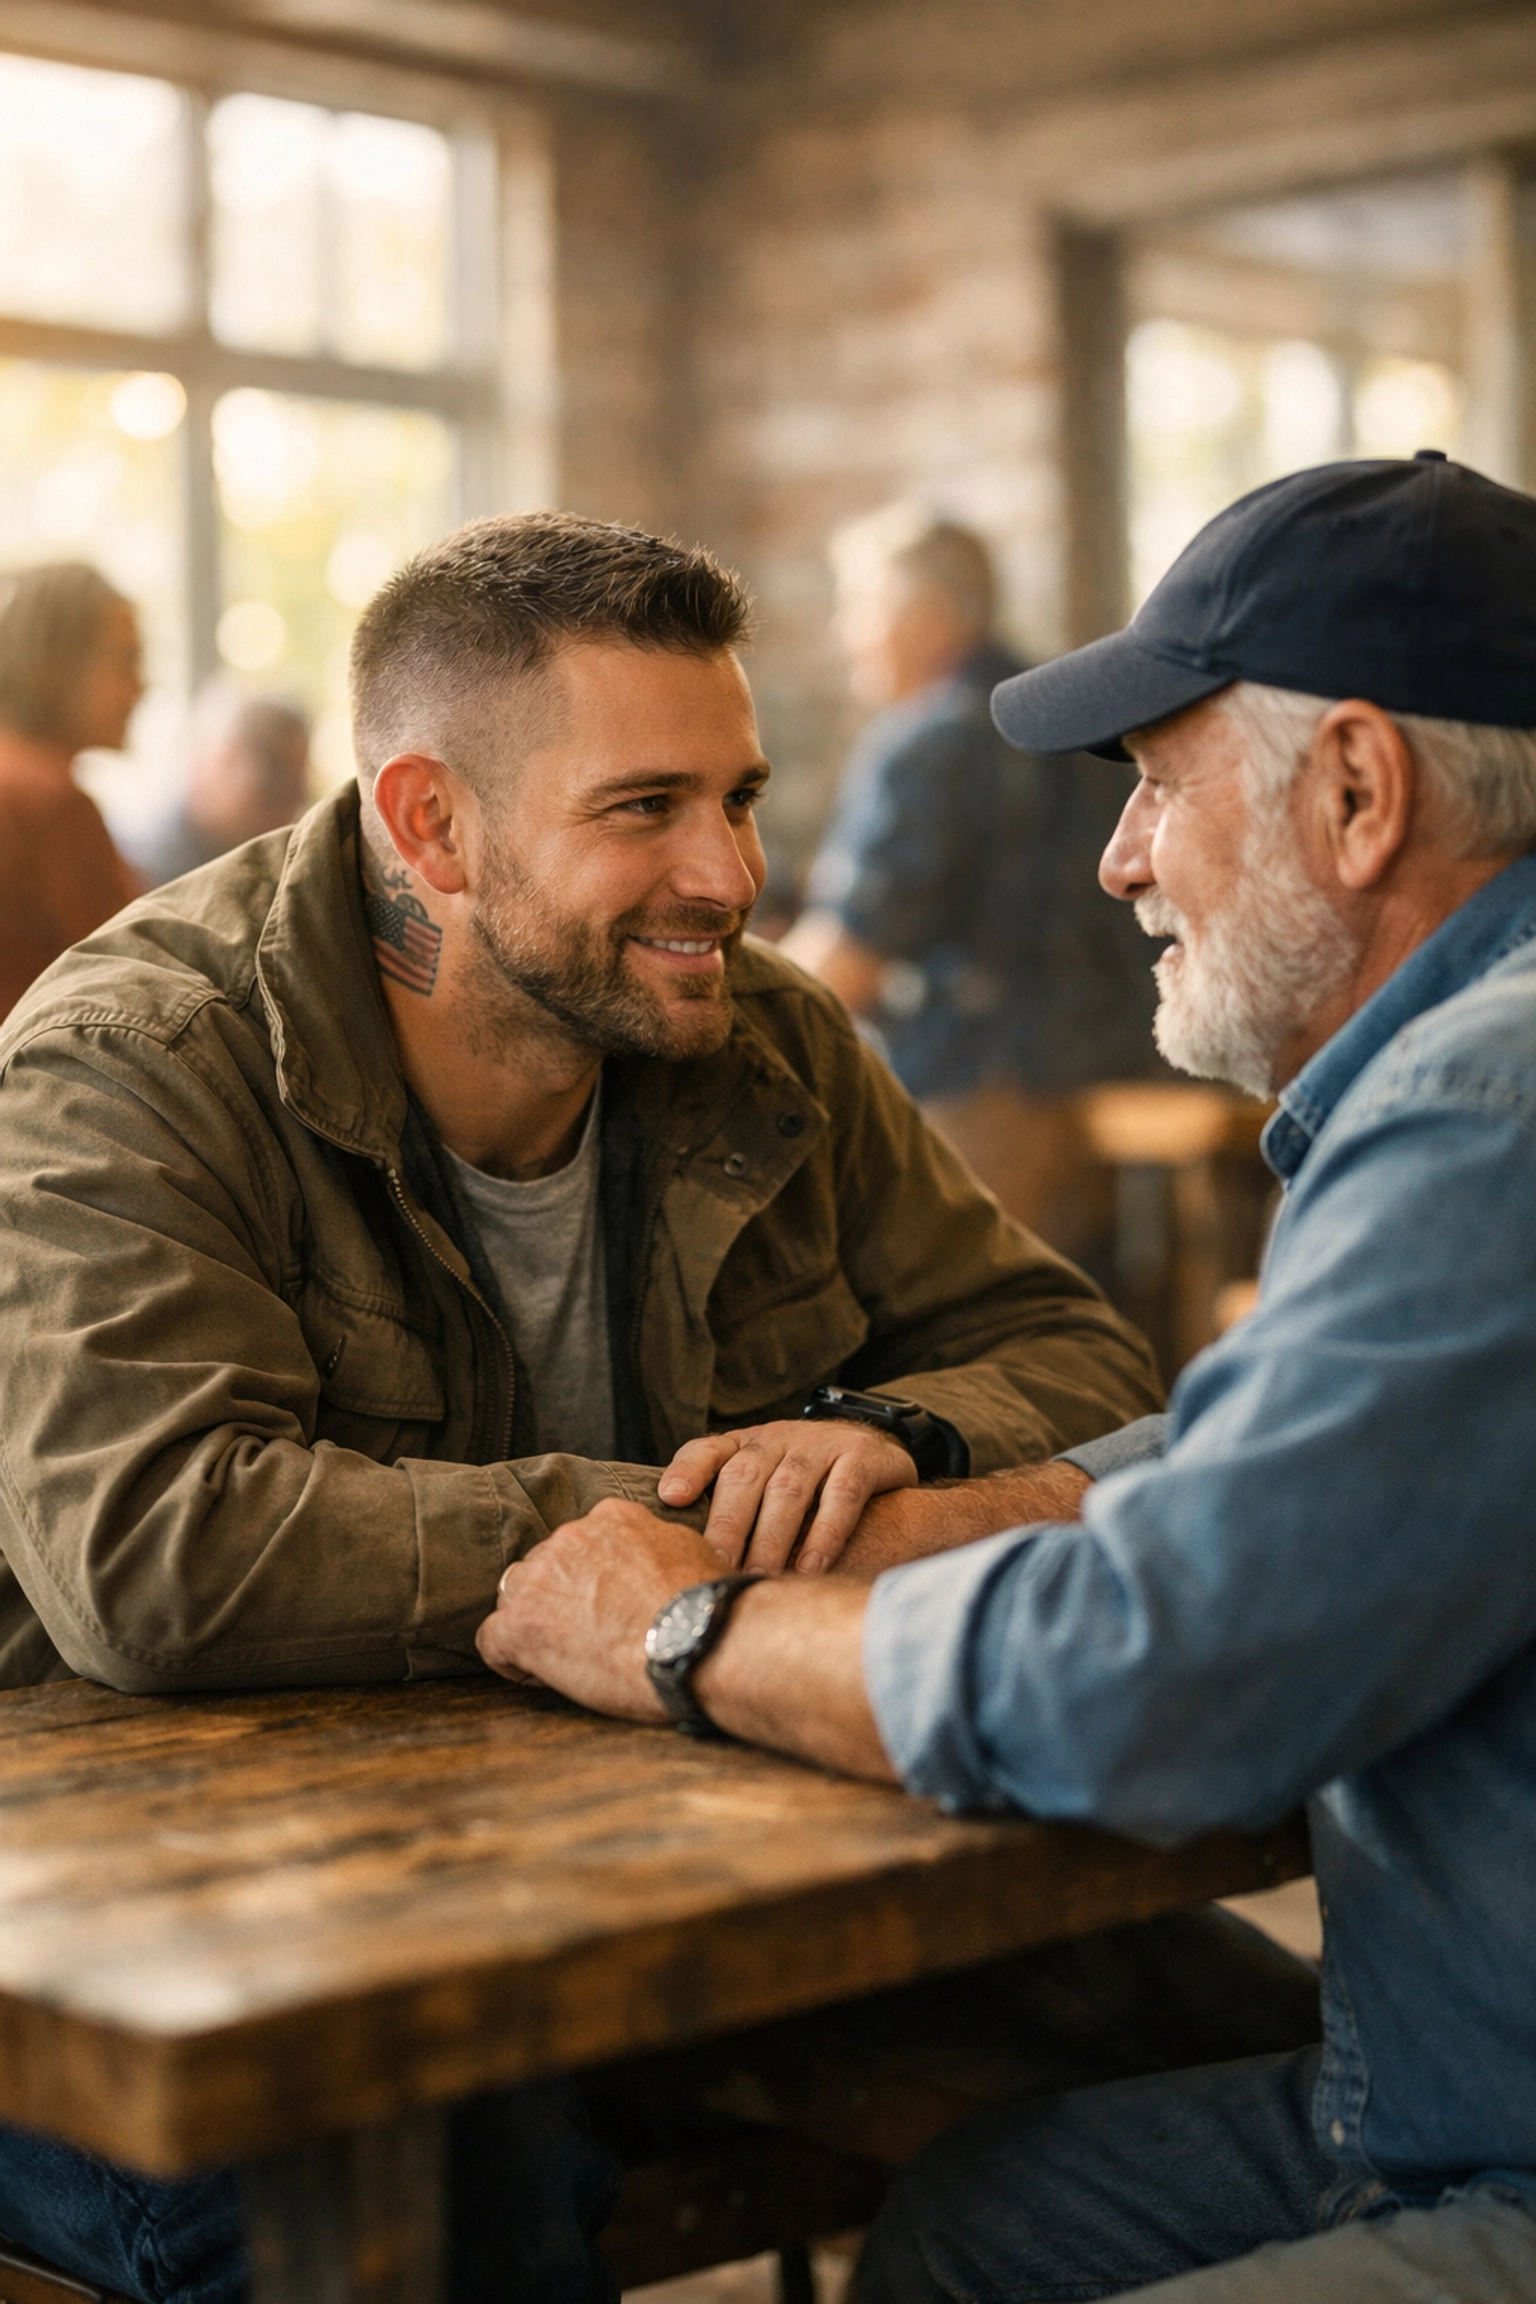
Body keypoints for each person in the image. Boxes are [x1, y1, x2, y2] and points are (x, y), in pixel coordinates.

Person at [0, 512, 1160, 2302]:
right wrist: (673, 1541)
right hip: (132, 1923)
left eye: (744, 796)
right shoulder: (136, 1062)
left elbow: (1078, 1355)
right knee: (450, 2180)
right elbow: (166, 1555)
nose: (730, 872)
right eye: (645, 808)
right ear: (427, 822)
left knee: (1208, 2042)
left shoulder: (759, 1032)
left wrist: (895, 1438)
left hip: (638, 1836)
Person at [481, 453, 1536, 2303]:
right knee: (990, 2213)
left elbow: (1166, 1683)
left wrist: (692, 1632)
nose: (1119, 857)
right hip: (1452, 2064)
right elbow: (1289, 1458)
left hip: (1507, 2135)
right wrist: (971, 1500)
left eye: (1154, 787)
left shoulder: (1483, 1107)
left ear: (1360, 791)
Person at [781, 504, 1159, 1252]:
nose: (845, 632)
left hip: (994, 1091)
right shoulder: (1068, 716)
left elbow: (842, 968)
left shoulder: (929, 739)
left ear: (926, 614)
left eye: (860, 606)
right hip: (1126, 1062)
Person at [0, 561, 143, 1020]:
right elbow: (132, 978)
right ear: (57, 663)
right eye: (125, 662)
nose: (140, 688)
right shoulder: (48, 807)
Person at [128, 683, 311, 887]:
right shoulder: (139, 867)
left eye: (297, 781)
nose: (293, 801)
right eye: (275, 772)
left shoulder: (290, 868)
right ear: (218, 756)